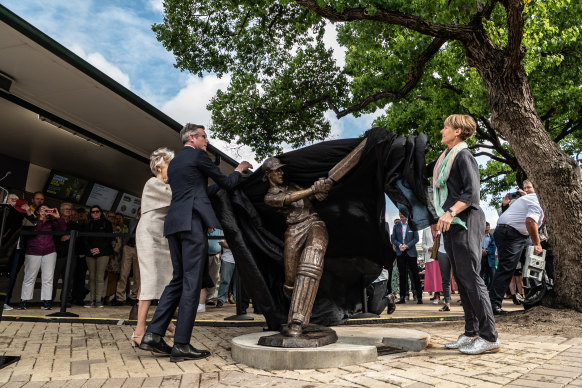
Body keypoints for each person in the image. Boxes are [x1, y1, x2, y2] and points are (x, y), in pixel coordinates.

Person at [139, 124, 252, 362]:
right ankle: (181, 344)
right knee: (191, 282)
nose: (207, 141)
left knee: (178, 279)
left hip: (173, 225)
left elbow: (194, 190)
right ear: (192, 137)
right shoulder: (198, 155)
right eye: (204, 136)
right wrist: (239, 170)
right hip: (191, 224)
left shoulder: (176, 163)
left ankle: (153, 334)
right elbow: (227, 183)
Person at [430, 114, 499, 354]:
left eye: (445, 127)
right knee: (461, 278)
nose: (442, 131)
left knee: (471, 277)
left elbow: (471, 195)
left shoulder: (464, 156)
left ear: (457, 131)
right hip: (452, 222)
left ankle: (490, 338)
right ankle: (471, 332)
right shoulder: (446, 158)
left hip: (465, 220)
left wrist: (449, 212)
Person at [262, 157, 332, 337]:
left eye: (281, 170)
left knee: (312, 259)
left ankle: (298, 321)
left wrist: (321, 188)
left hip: (313, 222)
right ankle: (293, 311)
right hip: (293, 231)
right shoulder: (270, 196)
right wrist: (312, 189)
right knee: (291, 281)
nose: (281, 173)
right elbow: (289, 199)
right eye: (277, 171)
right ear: (268, 174)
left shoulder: (293, 185)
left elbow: (317, 197)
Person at [133, 149, 176, 346]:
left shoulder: (167, 185)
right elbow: (175, 197)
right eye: (170, 165)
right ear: (159, 166)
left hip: (163, 235)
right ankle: (139, 328)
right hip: (149, 233)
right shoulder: (153, 183)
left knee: (166, 279)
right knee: (149, 277)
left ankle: (164, 321)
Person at [489, 180, 543, 315]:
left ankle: (534, 299)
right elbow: (530, 221)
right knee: (507, 268)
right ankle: (493, 305)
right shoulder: (537, 199)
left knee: (532, 265)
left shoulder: (528, 198)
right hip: (511, 233)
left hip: (520, 234)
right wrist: (537, 243)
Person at [19, 205, 66, 310]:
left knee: (48, 278)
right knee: (29, 277)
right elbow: (35, 230)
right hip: (33, 251)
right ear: (37, 211)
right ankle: (24, 301)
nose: (44, 211)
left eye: (47, 209)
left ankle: (46, 302)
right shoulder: (32, 220)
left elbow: (62, 230)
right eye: (42, 209)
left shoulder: (52, 222)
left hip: (49, 251)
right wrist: (40, 219)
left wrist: (58, 217)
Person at [3, 194, 36, 310]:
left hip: (17, 250)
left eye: (18, 201)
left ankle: (5, 301)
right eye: (12, 200)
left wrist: (28, 210)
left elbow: (34, 225)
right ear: (6, 201)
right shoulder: (4, 212)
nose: (15, 202)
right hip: (4, 248)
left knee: (11, 276)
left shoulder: (22, 216)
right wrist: (9, 207)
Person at [83, 205, 113, 308]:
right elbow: (85, 239)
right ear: (90, 213)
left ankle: (98, 300)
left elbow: (109, 239)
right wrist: (91, 249)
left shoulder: (107, 223)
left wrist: (99, 249)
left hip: (103, 252)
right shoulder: (88, 224)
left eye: (97, 211)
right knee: (92, 276)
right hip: (90, 253)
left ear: (101, 212)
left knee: (100, 276)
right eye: (93, 212)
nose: (95, 213)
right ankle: (91, 299)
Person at [391, 211, 422, 304]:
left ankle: (419, 297)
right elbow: (393, 239)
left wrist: (407, 246)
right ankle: (402, 297)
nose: (402, 217)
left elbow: (416, 238)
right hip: (400, 253)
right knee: (402, 276)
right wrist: (400, 245)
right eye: (400, 215)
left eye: (403, 215)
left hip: (411, 253)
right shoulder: (396, 226)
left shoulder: (413, 225)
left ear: (407, 216)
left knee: (415, 275)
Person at [52, 202, 79, 304]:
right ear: (61, 210)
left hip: (71, 255)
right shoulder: (54, 222)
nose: (68, 211)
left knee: (68, 279)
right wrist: (61, 237)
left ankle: (65, 300)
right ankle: (50, 300)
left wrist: (70, 236)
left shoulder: (74, 225)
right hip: (58, 254)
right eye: (66, 209)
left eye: (70, 209)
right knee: (54, 278)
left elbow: (78, 236)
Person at [114, 211, 140, 306]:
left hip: (140, 248)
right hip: (128, 247)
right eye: (139, 213)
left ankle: (133, 297)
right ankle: (119, 298)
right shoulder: (132, 222)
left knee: (138, 275)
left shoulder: (148, 222)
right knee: (124, 273)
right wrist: (124, 244)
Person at [422, 224, 444, 304]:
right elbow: (423, 244)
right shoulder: (426, 230)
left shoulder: (442, 229)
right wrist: (428, 248)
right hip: (430, 257)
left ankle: (442, 295)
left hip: (441, 256)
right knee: (433, 277)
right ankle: (436, 295)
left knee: (440, 277)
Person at [205, 228, 223, 306]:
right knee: (202, 277)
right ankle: (200, 298)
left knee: (214, 277)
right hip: (204, 256)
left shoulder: (219, 230)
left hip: (216, 255)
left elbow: (223, 241)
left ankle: (209, 298)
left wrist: (222, 253)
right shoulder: (203, 229)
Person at [215, 240, 235, 308]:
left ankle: (238, 299)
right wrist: (235, 246)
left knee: (239, 283)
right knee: (225, 280)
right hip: (228, 259)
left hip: (241, 258)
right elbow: (221, 242)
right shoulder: (224, 230)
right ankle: (221, 300)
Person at [480, 222, 496, 289]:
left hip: (490, 258)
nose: (487, 227)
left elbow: (493, 247)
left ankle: (491, 289)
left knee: (493, 275)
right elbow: (476, 245)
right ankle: (482, 288)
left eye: (488, 226)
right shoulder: (479, 236)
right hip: (480, 257)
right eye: (485, 225)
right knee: (481, 274)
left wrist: (486, 251)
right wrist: (481, 250)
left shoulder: (492, 236)